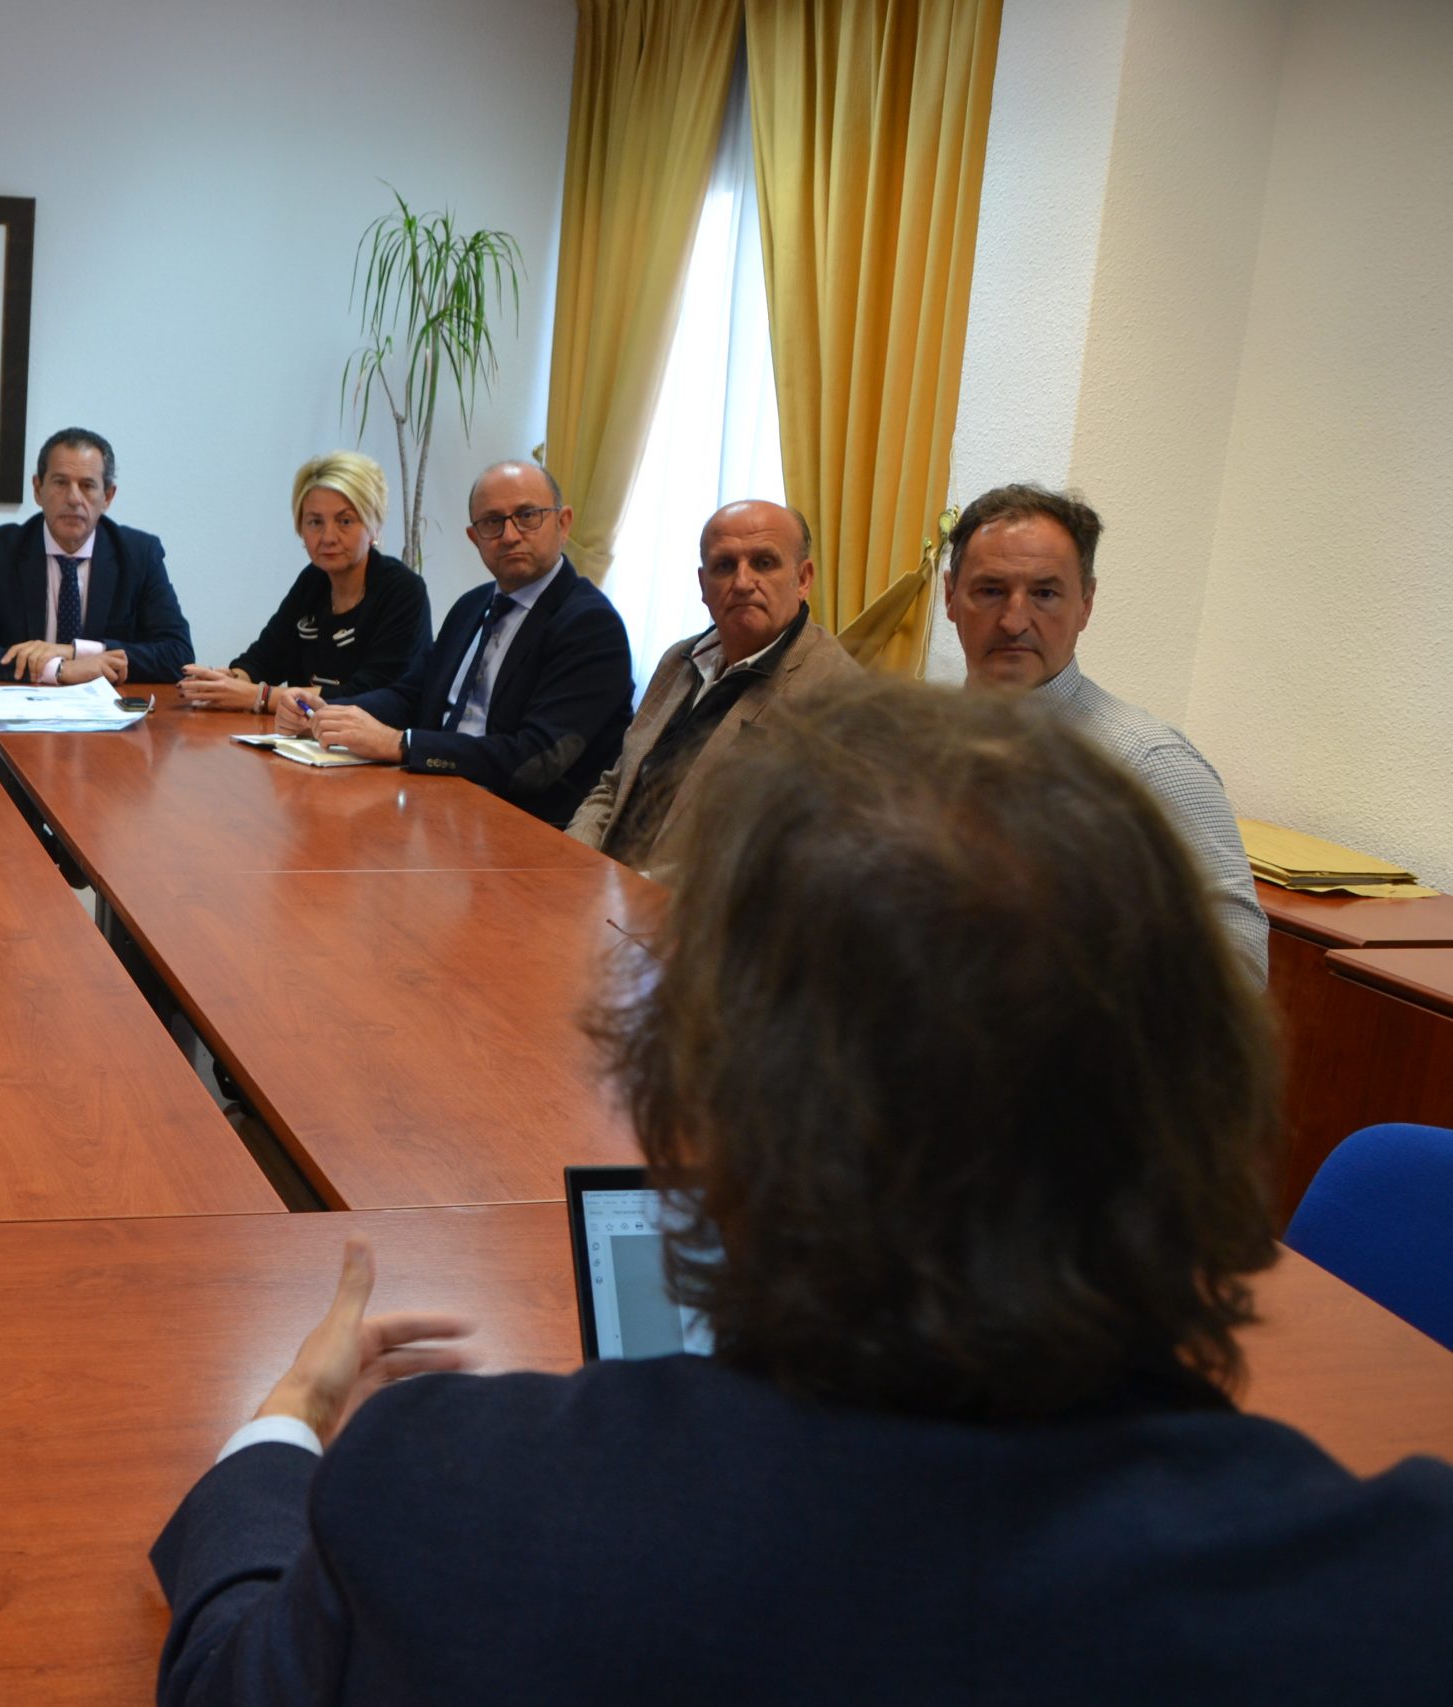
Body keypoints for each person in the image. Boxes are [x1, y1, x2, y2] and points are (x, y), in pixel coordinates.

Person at [151, 680, 1453, 1704]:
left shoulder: (453, 1503)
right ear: (1204, 1098)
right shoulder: (1399, 1594)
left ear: (702, 1100)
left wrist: (282, 1431)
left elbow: (226, 1677)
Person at [943, 482, 1268, 982]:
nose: (1014, 620)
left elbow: (1238, 961)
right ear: (950, 597)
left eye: (1045, 594)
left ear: (1086, 604)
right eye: (990, 591)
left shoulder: (1149, 762)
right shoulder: (921, 740)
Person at [279, 460, 632, 826]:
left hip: (523, 826)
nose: (510, 535)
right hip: (434, 804)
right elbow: (411, 695)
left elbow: (535, 759)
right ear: (474, 537)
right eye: (492, 522)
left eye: (527, 516)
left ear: (563, 523)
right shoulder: (472, 606)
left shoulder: (591, 625)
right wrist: (327, 714)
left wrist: (401, 744)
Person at [564, 498, 861, 870]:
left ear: (802, 579)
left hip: (693, 901)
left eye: (763, 563)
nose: (742, 582)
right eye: (724, 566)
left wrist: (638, 888)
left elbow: (790, 859)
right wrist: (570, 861)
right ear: (704, 585)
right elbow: (614, 787)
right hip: (601, 880)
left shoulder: (837, 694)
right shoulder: (678, 660)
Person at [176, 451, 429, 712]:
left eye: (345, 521)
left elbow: (371, 694)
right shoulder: (314, 580)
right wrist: (228, 681)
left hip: (373, 736)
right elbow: (264, 658)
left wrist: (260, 696)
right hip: (303, 734)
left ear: (374, 526)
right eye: (315, 522)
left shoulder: (404, 590)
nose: (328, 537)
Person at [0, 426, 194, 683]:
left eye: (87, 485)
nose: (73, 498)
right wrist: (58, 669)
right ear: (38, 489)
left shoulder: (139, 554)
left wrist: (75, 652)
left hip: (107, 706)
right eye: (60, 483)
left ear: (107, 496)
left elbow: (178, 655)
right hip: (23, 704)